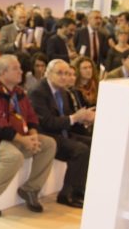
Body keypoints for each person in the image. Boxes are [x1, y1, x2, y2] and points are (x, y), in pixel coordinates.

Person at [0, 54, 57, 217]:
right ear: (2, 73)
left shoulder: (18, 92)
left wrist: (34, 136)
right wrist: (24, 140)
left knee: (49, 144)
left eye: (20, 68)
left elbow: (31, 117)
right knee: (14, 157)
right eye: (15, 68)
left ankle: (30, 189)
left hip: (15, 136)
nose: (21, 71)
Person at [29, 59, 94, 208]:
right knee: (80, 150)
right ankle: (66, 194)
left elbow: (68, 117)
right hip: (46, 135)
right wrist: (75, 117)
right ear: (48, 73)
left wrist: (83, 119)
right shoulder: (38, 92)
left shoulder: (62, 91)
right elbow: (47, 123)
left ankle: (80, 189)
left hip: (62, 132)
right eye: (60, 73)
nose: (64, 77)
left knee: (93, 143)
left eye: (66, 73)